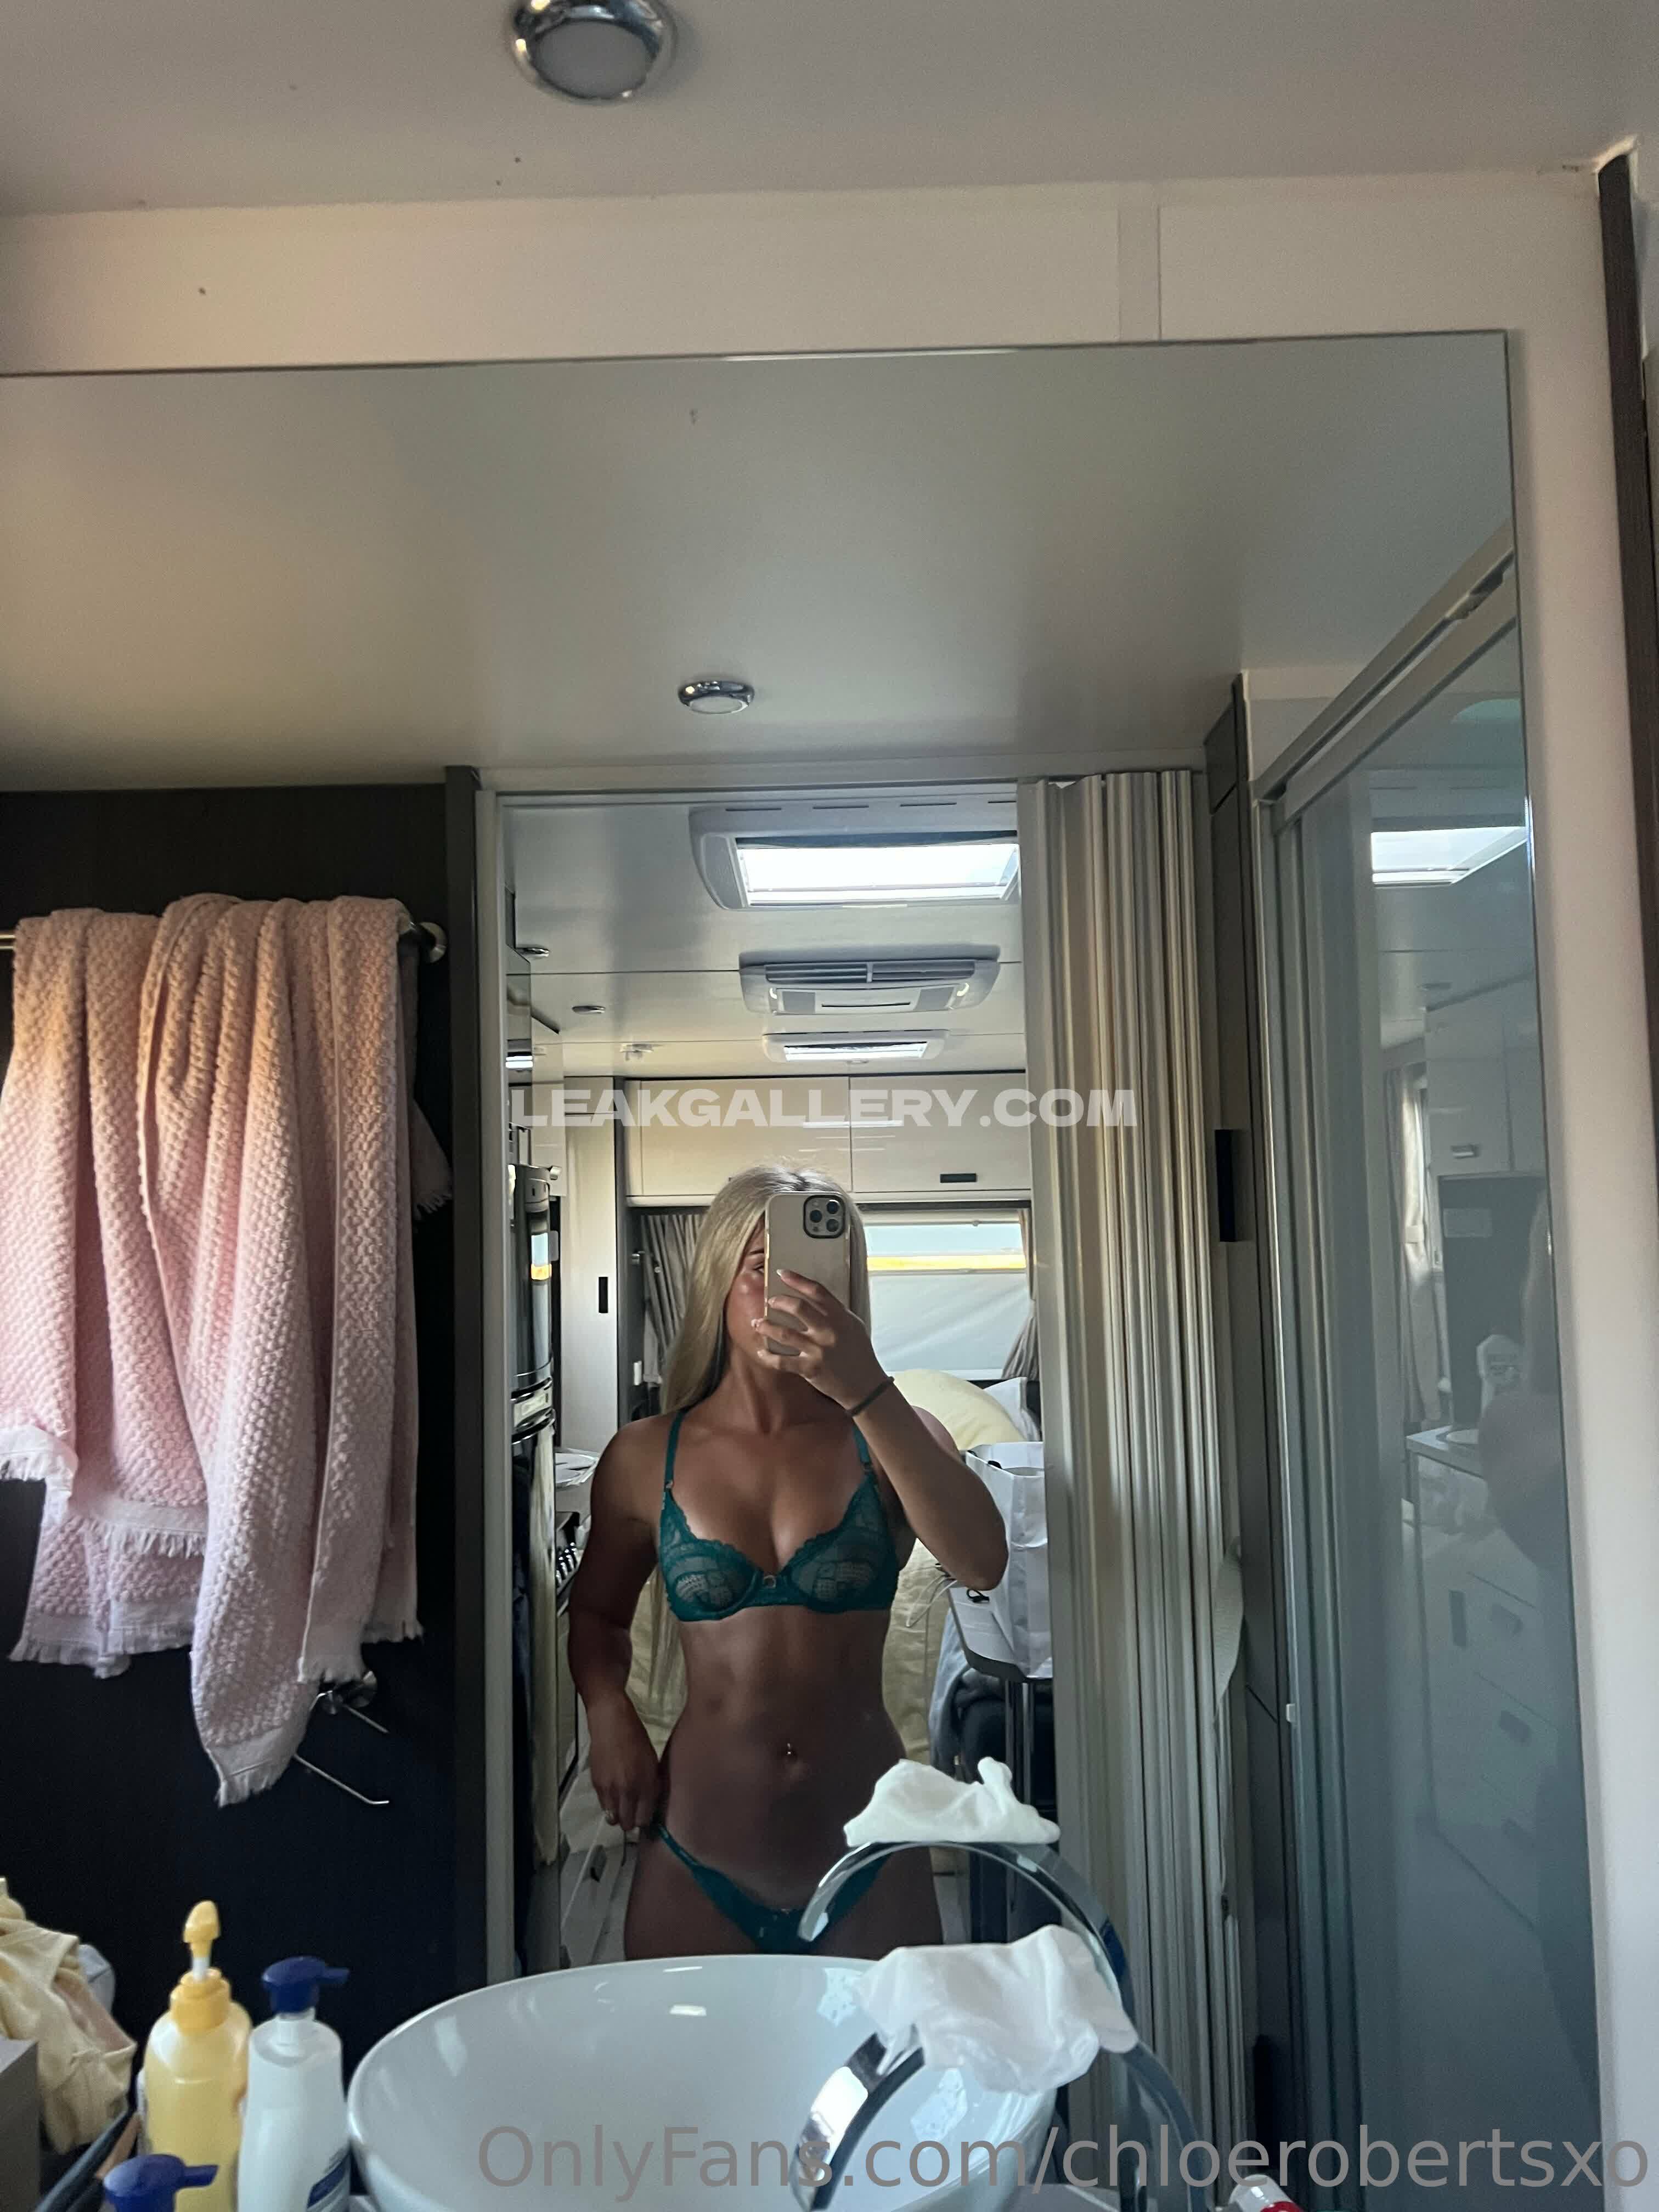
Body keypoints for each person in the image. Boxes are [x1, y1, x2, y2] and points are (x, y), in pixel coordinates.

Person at [568, 1163, 1009, 1959]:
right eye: (761, 1266)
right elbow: (597, 1615)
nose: (790, 1290)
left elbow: (982, 1563)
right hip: (696, 1856)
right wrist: (608, 1712)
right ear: (716, 1279)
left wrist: (867, 1389)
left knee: (889, 2047)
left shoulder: (895, 1437)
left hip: (870, 1853)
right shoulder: (644, 1455)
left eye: (814, 1269)